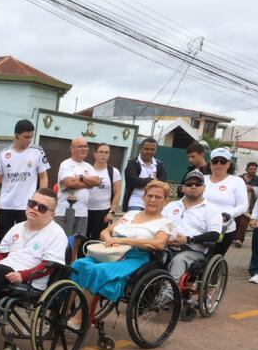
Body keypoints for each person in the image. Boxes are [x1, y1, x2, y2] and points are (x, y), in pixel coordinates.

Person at [0, 188, 66, 334]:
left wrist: (23, 275)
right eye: (32, 203)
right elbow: (3, 253)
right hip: (2, 270)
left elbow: (49, 266)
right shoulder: (17, 227)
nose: (35, 208)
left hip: (30, 279)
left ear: (52, 214)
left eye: (42, 207)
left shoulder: (56, 234)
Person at [71, 180, 175, 320]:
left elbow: (159, 244)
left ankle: (78, 319)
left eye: (158, 197)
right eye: (150, 196)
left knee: (99, 271)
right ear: (144, 197)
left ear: (165, 201)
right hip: (112, 252)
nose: (152, 200)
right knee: (78, 265)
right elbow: (105, 232)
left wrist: (123, 240)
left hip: (136, 257)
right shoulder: (131, 214)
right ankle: (63, 314)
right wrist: (109, 239)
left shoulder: (165, 223)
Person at [0, 119, 50, 237]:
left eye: (31, 137)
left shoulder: (38, 151)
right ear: (16, 135)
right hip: (6, 205)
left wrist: (41, 199)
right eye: (26, 137)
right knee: (4, 239)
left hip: (27, 206)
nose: (29, 140)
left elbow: (43, 177)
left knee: (26, 238)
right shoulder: (4, 154)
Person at [163, 171, 223, 283]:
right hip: (166, 246)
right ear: (183, 188)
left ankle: (170, 291)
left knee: (179, 261)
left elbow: (215, 234)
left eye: (197, 184)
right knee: (154, 257)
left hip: (193, 250)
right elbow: (159, 224)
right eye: (189, 184)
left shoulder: (211, 209)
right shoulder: (171, 206)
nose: (193, 186)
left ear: (204, 187)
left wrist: (188, 239)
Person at [55, 136, 99, 254]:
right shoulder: (66, 164)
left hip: (82, 212)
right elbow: (70, 183)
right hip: (65, 211)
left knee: (77, 244)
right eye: (80, 146)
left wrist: (80, 177)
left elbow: (97, 181)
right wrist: (88, 184)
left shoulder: (88, 166)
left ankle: (72, 263)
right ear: (72, 148)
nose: (84, 149)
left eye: (86, 146)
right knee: (63, 243)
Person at [202, 148, 248, 257]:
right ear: (210, 163)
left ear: (229, 164)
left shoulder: (237, 181)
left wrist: (229, 214)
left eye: (223, 161)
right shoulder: (201, 179)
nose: (218, 164)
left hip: (223, 227)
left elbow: (243, 205)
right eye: (215, 161)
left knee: (212, 258)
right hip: (199, 224)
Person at [84, 142, 122, 243]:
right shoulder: (87, 170)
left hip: (102, 211)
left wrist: (111, 212)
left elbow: (118, 193)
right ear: (95, 154)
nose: (103, 155)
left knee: (97, 240)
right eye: (100, 152)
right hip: (85, 210)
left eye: (106, 152)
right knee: (83, 239)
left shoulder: (113, 172)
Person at [123, 137, 167, 211]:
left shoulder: (159, 164)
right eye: (147, 149)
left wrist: (143, 182)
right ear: (140, 149)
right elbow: (134, 181)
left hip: (154, 200)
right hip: (136, 201)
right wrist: (153, 181)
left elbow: (162, 181)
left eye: (152, 149)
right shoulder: (133, 163)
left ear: (156, 150)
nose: (149, 151)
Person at [232, 161, 258, 247]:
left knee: (244, 223)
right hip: (237, 204)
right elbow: (234, 188)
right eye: (251, 169)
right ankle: (233, 238)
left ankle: (239, 240)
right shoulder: (240, 178)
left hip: (249, 206)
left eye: (255, 169)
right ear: (246, 169)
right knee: (236, 221)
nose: (253, 171)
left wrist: (252, 188)